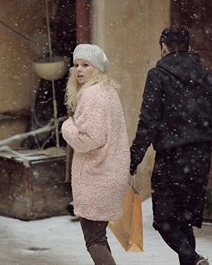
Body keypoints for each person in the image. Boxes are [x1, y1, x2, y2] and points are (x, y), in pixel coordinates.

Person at [129, 25, 212, 265]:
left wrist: (134, 158)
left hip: (171, 157)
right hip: (200, 158)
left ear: (163, 48)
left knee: (164, 219)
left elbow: (148, 121)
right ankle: (192, 261)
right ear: (189, 47)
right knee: (184, 220)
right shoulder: (208, 77)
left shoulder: (157, 76)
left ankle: (192, 258)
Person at [61, 44, 130, 265]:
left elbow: (88, 139)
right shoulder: (106, 91)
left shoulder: (92, 95)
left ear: (97, 68)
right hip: (109, 173)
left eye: (85, 65)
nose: (79, 70)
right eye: (76, 65)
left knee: (94, 240)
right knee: (98, 238)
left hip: (97, 177)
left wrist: (67, 127)